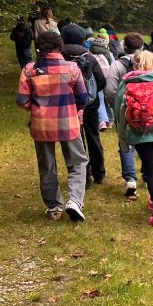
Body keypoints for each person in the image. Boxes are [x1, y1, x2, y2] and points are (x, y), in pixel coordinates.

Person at [16, 30, 89, 221]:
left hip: (41, 124)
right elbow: (83, 97)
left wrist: (38, 108)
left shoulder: (30, 70)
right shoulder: (72, 68)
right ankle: (74, 200)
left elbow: (22, 100)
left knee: (46, 165)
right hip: (68, 121)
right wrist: (73, 108)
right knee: (78, 162)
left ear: (38, 47)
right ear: (60, 46)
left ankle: (54, 207)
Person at [115, 51, 153, 228]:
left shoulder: (126, 83)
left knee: (150, 168)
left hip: (138, 132)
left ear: (135, 64)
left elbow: (119, 112)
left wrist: (122, 137)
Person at [61, 26, 107, 187]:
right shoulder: (89, 56)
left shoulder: (60, 56)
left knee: (76, 139)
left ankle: (84, 177)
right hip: (90, 103)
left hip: (68, 104)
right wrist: (91, 95)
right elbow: (101, 80)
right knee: (93, 135)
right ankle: (99, 173)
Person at [105, 33, 145, 198]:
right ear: (141, 47)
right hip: (147, 109)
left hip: (124, 110)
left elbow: (110, 91)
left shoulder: (117, 65)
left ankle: (130, 179)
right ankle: (149, 175)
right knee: (146, 142)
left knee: (125, 143)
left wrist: (115, 107)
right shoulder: (150, 63)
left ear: (123, 47)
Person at [89, 32, 115, 130]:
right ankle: (111, 120)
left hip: (96, 79)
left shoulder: (90, 52)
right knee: (107, 100)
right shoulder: (108, 53)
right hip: (107, 78)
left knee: (100, 99)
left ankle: (102, 122)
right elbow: (113, 65)